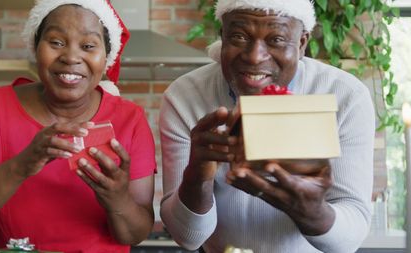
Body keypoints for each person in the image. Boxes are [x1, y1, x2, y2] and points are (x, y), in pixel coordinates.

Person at [159, 0, 375, 252]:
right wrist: (196, 176)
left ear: (302, 43)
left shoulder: (344, 96)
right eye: (239, 36)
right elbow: (189, 238)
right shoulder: (185, 96)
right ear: (223, 37)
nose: (254, 56)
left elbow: (351, 237)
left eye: (277, 39)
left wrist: (312, 211)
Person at [0, 0, 156, 252]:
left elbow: (135, 235)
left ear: (106, 58)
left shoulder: (130, 119)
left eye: (88, 46)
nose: (70, 57)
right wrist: (21, 166)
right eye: (56, 42)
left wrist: (117, 198)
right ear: (36, 46)